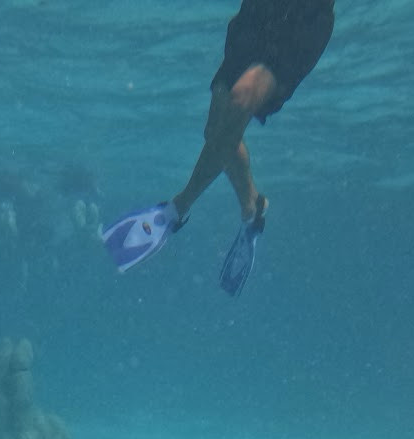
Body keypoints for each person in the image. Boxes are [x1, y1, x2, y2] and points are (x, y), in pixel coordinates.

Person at [102, 0, 335, 296]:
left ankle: (177, 208)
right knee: (216, 132)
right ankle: (252, 207)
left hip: (301, 20)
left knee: (241, 99)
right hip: (258, 15)